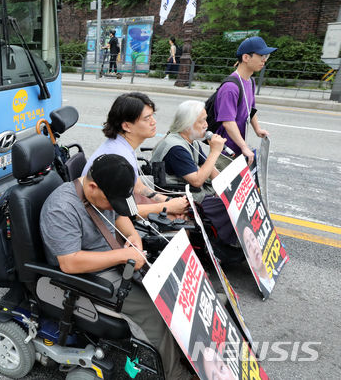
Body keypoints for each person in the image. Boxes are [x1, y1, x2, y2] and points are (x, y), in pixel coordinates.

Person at [40, 154, 193, 380]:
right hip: (90, 274)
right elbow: (69, 262)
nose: (114, 206)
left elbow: (121, 215)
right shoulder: (61, 208)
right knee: (156, 312)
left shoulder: (110, 190)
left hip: (118, 256)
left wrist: (133, 237)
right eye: (111, 202)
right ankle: (177, 375)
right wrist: (123, 254)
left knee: (176, 287)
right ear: (92, 186)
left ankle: (189, 352)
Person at [82, 92, 189, 218]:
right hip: (102, 217)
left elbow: (138, 187)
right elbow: (118, 212)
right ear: (127, 126)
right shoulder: (118, 157)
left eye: (152, 116)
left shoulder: (122, 146)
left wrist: (168, 201)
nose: (153, 122)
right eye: (146, 118)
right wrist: (167, 207)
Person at [150, 100, 237, 246]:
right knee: (227, 207)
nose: (206, 125)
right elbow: (197, 181)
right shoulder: (175, 147)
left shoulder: (193, 142)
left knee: (234, 199)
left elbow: (209, 170)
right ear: (187, 123)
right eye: (202, 121)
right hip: (179, 195)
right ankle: (226, 246)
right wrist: (215, 152)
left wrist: (228, 186)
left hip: (194, 191)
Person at [213, 37, 274, 170]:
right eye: (262, 56)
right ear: (246, 57)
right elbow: (228, 122)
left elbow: (250, 108)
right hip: (225, 151)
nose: (264, 60)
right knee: (220, 189)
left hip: (238, 148)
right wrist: (244, 147)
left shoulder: (250, 81)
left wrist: (257, 129)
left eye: (266, 56)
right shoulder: (230, 87)